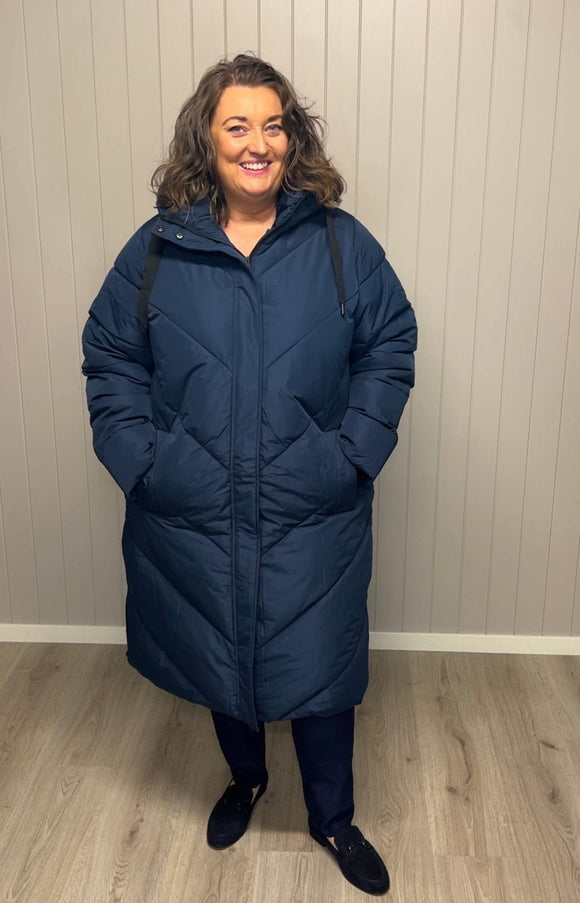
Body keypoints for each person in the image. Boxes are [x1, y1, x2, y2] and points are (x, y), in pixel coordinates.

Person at [82, 53, 416, 896]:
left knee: (320, 666)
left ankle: (333, 816)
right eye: (237, 125)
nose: (256, 143)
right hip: (193, 505)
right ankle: (245, 779)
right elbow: (111, 355)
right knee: (219, 651)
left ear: (292, 139)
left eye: (273, 125)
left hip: (312, 505)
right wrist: (142, 462)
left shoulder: (339, 244)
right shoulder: (158, 248)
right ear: (208, 137)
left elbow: (389, 342)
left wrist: (352, 453)